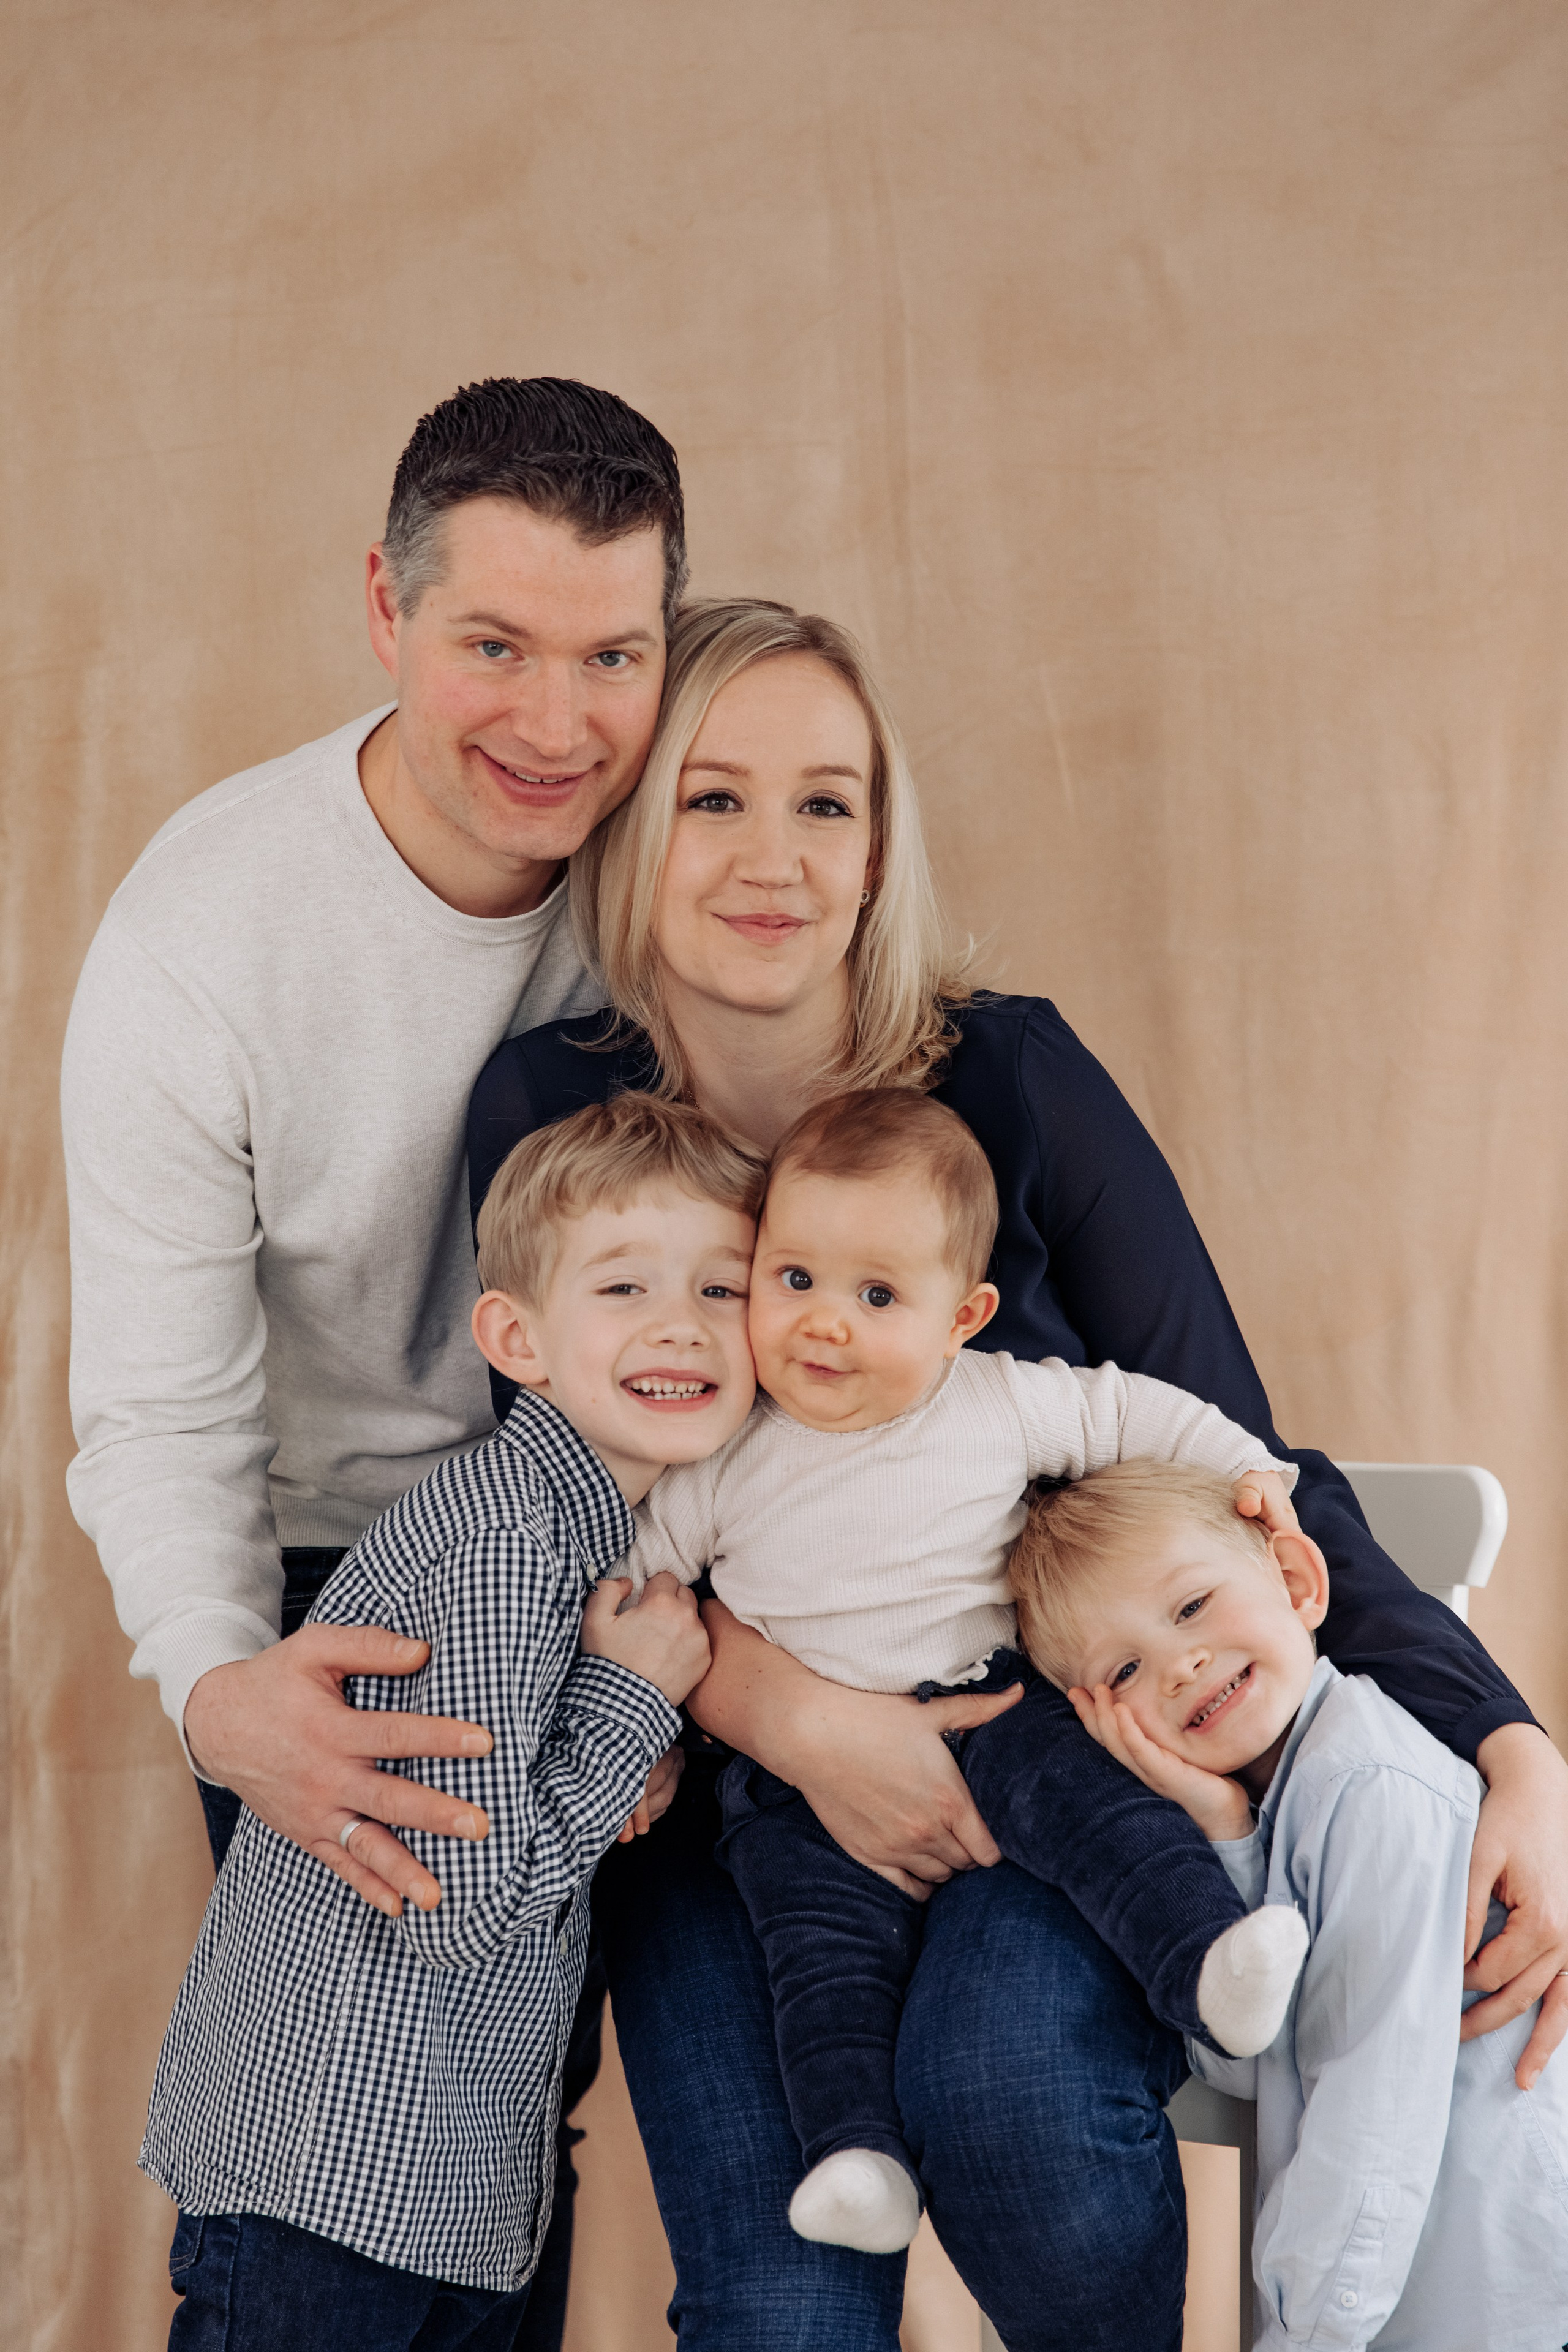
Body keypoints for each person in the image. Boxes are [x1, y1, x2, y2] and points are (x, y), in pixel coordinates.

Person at [468, 595, 1568, 2352]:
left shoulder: (1014, 1079)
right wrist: (802, 1724)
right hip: (730, 1806)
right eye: (711, 797)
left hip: (1057, 1759)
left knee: (1015, 2103)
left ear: (878, 846)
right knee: (778, 2292)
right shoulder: (554, 1107)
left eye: (827, 803)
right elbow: (555, 1517)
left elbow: (1247, 1466)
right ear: (630, 820)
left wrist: (1509, 1743)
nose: (772, 857)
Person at [62, 375, 685, 2338]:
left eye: (612, 657)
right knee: (332, 2169)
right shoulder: (203, 935)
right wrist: (219, 1691)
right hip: (353, 1590)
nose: (557, 726)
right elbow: (160, 1404)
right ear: (385, 610)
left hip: (636, 1556)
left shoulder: (684, 870)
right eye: (495, 646)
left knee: (509, 2134)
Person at [626, 1084, 1310, 2255]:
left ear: (963, 1317)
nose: (825, 1325)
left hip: (995, 1705)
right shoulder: (721, 1454)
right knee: (818, 1963)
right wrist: (636, 1733)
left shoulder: (995, 1402)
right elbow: (639, 1595)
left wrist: (1256, 1478)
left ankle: (1205, 1958)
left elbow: (1138, 1414)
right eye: (795, 1279)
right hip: (795, 1785)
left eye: (877, 1296)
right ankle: (858, 2159)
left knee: (1101, 1817)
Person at [143, 1094, 759, 2348]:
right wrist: (630, 1701)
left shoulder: (580, 1537)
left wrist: (616, 1738)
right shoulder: (503, 1550)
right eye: (624, 1287)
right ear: (516, 1338)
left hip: (434, 2187)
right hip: (336, 2187)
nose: (681, 1326)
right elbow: (462, 1904)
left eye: (723, 1289)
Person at [1011, 1458, 1568, 2352]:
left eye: (1192, 1606)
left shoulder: (1369, 1784)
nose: (1182, 1665)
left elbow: (1369, 2114)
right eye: (1126, 1669)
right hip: (1399, 2285)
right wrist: (1226, 1835)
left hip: (1498, 2281)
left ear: (1299, 1581)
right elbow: (1254, 2064)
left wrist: (1303, 2334)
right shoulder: (1273, 1801)